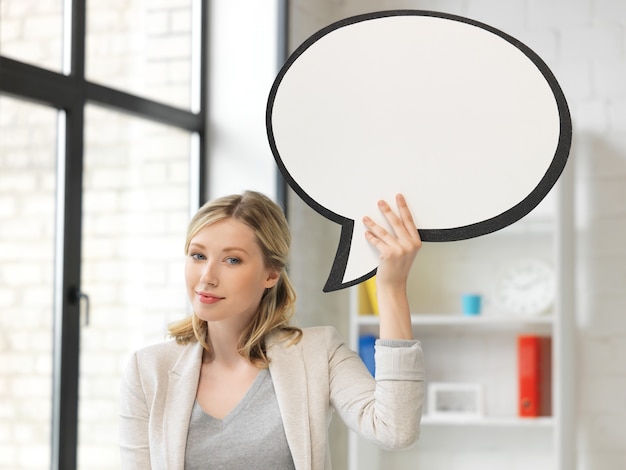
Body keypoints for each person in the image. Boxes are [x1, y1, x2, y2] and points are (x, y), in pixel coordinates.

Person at [119, 190, 425, 470]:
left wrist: (392, 288)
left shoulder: (319, 353)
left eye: (232, 260)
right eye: (198, 255)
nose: (207, 276)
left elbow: (395, 429)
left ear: (271, 274)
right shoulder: (148, 370)